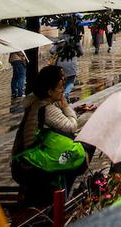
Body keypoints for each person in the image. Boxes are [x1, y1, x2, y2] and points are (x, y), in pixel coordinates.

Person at [10, 65, 85, 203]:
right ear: (50, 91)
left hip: (22, 158)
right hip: (30, 164)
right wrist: (66, 106)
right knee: (78, 159)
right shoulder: (46, 108)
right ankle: (60, 202)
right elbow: (71, 126)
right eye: (60, 86)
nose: (63, 89)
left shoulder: (36, 101)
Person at [50, 28, 82, 100]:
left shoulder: (61, 40)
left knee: (60, 82)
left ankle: (60, 96)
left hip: (59, 65)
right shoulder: (75, 40)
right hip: (71, 65)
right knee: (70, 81)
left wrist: (59, 52)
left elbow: (51, 51)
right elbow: (81, 52)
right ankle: (65, 95)